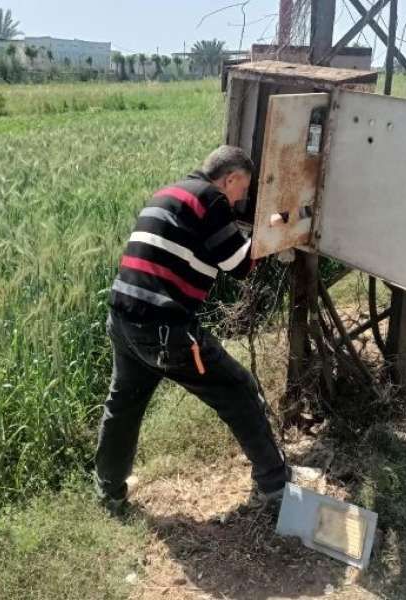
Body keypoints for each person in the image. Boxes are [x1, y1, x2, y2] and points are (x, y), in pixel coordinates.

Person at [95, 145, 289, 512]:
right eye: (242, 189)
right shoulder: (211, 199)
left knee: (123, 406)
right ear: (229, 179)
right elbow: (239, 265)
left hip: (123, 318)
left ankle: (109, 493)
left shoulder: (169, 192)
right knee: (238, 391)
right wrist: (273, 227)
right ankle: (275, 486)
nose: (240, 200)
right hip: (164, 330)